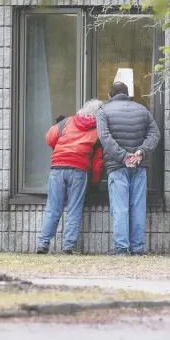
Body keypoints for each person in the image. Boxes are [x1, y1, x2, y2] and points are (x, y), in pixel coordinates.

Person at [97, 82, 160, 256]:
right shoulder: (142, 109)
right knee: (138, 207)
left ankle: (121, 248)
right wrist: (141, 152)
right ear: (127, 94)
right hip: (139, 167)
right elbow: (155, 134)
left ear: (110, 96)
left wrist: (123, 157)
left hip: (117, 167)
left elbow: (105, 137)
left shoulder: (103, 111)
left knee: (120, 208)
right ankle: (138, 248)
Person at [37, 99, 104, 255]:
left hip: (57, 167)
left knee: (53, 208)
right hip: (79, 170)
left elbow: (50, 138)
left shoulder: (67, 121)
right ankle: (68, 246)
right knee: (74, 208)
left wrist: (61, 150)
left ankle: (43, 244)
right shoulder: (98, 131)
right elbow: (98, 162)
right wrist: (94, 182)